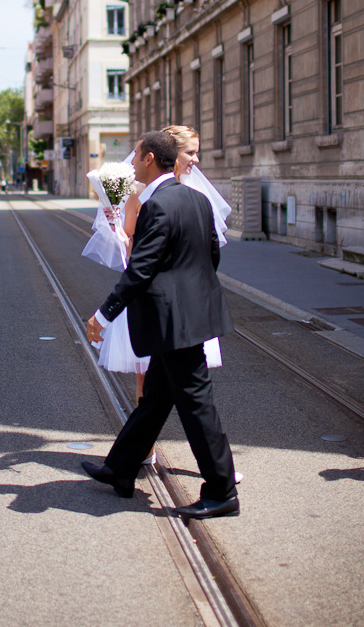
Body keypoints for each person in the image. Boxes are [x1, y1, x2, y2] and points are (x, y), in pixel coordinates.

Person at [82, 131, 239, 519]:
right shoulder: (196, 200)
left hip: (175, 323)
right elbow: (211, 256)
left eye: (136, 156)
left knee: (197, 407)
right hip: (189, 316)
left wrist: (103, 315)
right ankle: (120, 469)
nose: (132, 163)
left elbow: (141, 270)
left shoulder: (158, 206)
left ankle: (221, 491)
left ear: (150, 158)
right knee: (154, 400)